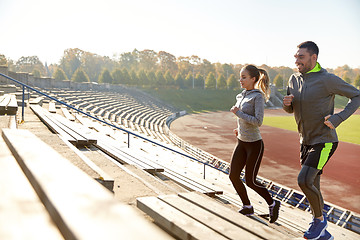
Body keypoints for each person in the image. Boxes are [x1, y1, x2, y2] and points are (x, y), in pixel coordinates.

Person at [283, 41, 360, 240]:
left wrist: (338, 118)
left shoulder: (327, 80)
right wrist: (286, 105)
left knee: (304, 180)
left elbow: (357, 96)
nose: (296, 60)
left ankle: (319, 221)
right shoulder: (293, 79)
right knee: (313, 186)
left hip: (324, 140)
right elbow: (292, 109)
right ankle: (323, 233)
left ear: (313, 58)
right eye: (296, 56)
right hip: (304, 141)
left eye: (301, 56)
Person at [229, 64, 281, 223]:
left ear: (253, 79)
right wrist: (239, 129)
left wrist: (239, 113)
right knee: (233, 176)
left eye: (244, 77)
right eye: (240, 77)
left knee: (250, 180)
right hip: (241, 142)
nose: (241, 80)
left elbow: (258, 121)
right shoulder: (240, 96)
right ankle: (247, 206)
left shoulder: (257, 97)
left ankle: (272, 203)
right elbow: (243, 120)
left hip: (254, 145)